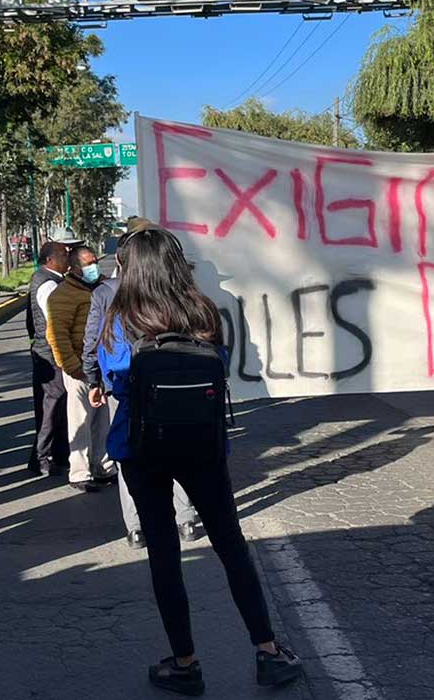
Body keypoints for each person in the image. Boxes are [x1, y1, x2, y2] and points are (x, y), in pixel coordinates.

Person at [96, 228, 302, 695]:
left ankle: (185, 663)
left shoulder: (120, 318)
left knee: (164, 553)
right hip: (204, 446)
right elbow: (220, 365)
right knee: (230, 544)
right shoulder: (203, 313)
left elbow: (114, 379)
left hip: (140, 447)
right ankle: (268, 651)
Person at [84, 221, 198, 547]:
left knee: (131, 458)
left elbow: (97, 344)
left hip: (128, 391)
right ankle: (186, 518)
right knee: (179, 453)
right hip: (177, 391)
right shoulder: (186, 296)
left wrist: (95, 380)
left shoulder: (109, 294)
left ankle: (136, 527)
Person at [46, 246, 111, 493]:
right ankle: (80, 472)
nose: (93, 266)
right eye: (88, 263)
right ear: (74, 267)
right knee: (81, 420)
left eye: (94, 261)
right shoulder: (62, 295)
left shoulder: (102, 288)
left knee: (102, 420)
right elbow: (57, 336)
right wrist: (74, 367)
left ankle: (103, 466)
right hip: (80, 368)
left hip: (102, 366)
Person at [26, 241, 70, 476]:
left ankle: (57, 454)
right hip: (50, 355)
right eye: (63, 255)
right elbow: (55, 322)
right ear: (50, 259)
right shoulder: (47, 283)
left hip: (49, 352)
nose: (67, 259)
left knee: (58, 405)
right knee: (51, 406)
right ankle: (42, 457)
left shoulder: (52, 280)